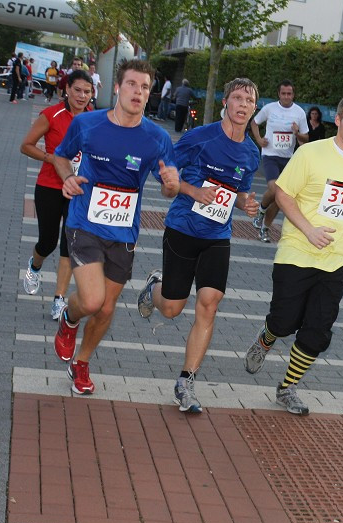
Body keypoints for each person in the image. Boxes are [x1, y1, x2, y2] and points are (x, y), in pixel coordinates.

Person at [243, 91, 343, 416]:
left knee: (318, 331)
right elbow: (283, 193)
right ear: (339, 121)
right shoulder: (311, 153)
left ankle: (286, 388)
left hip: (338, 260)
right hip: (297, 252)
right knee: (284, 320)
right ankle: (267, 336)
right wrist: (308, 229)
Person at [51, 59, 180, 395]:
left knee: (107, 308)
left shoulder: (156, 138)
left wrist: (171, 184)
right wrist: (67, 177)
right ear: (118, 87)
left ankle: (81, 363)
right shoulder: (88, 124)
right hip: (85, 223)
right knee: (92, 300)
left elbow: (169, 188)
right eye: (133, 84)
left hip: (123, 232)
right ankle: (69, 319)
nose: (138, 92)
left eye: (145, 87)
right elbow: (61, 155)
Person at [136, 78, 262, 413]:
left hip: (218, 237)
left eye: (249, 100)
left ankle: (186, 381)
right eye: (236, 97)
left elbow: (239, 192)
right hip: (183, 229)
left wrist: (246, 204)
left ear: (254, 109)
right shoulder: (199, 137)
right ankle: (154, 288)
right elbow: (166, 173)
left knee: (209, 302)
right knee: (173, 309)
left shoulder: (251, 151)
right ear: (226, 102)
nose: (242, 104)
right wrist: (194, 192)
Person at [20, 70, 95, 320]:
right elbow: (26, 145)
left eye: (87, 91)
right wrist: (51, 158)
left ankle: (59, 299)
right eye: (78, 90)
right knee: (48, 241)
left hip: (78, 190)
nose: (82, 96)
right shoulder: (51, 115)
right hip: (50, 186)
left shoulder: (94, 118)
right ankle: (35, 265)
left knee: (69, 245)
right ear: (67, 90)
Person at [249, 80, 309, 242]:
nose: (286, 97)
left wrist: (297, 133)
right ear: (279, 94)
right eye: (284, 93)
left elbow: (306, 137)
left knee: (280, 196)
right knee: (274, 189)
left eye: (289, 94)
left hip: (289, 158)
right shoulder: (270, 108)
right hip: (270, 155)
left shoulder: (299, 112)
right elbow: (254, 122)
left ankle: (264, 228)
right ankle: (261, 212)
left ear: (293, 94)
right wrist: (259, 139)